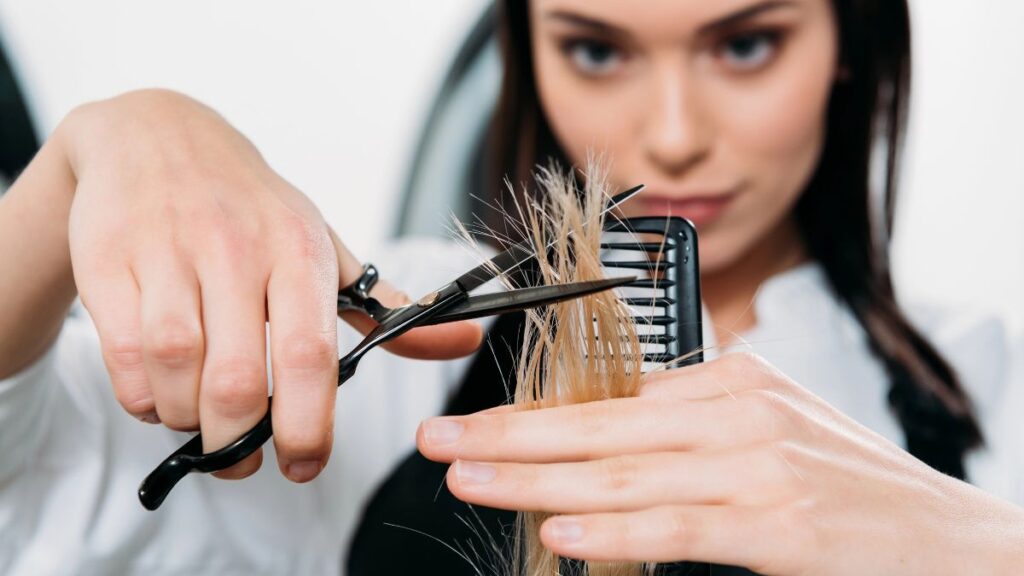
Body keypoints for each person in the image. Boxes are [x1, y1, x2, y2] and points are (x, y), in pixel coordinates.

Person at [0, 1, 1021, 575]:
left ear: (852, 43)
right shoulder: (400, 360)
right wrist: (89, 158)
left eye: (745, 44)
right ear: (527, 55)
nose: (671, 134)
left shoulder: (990, 390)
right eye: (595, 49)